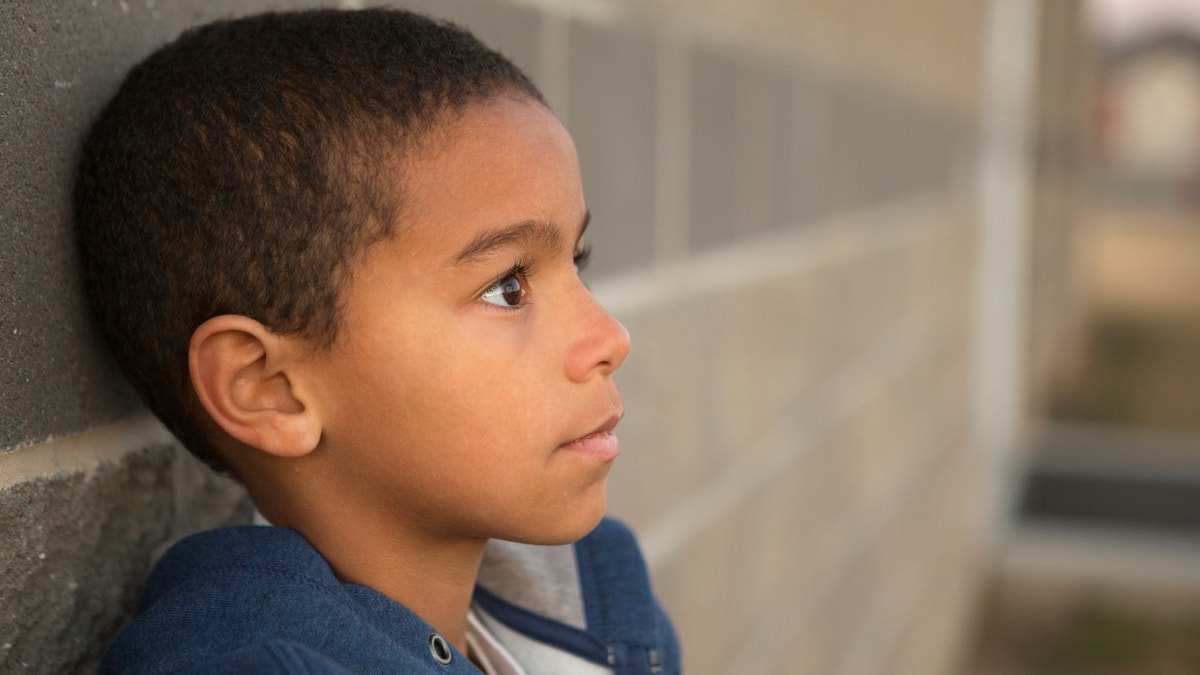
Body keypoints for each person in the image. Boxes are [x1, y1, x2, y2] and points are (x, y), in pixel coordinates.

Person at [74, 8, 679, 674]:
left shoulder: (596, 609)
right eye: (508, 286)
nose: (609, 336)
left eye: (577, 262)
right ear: (269, 390)